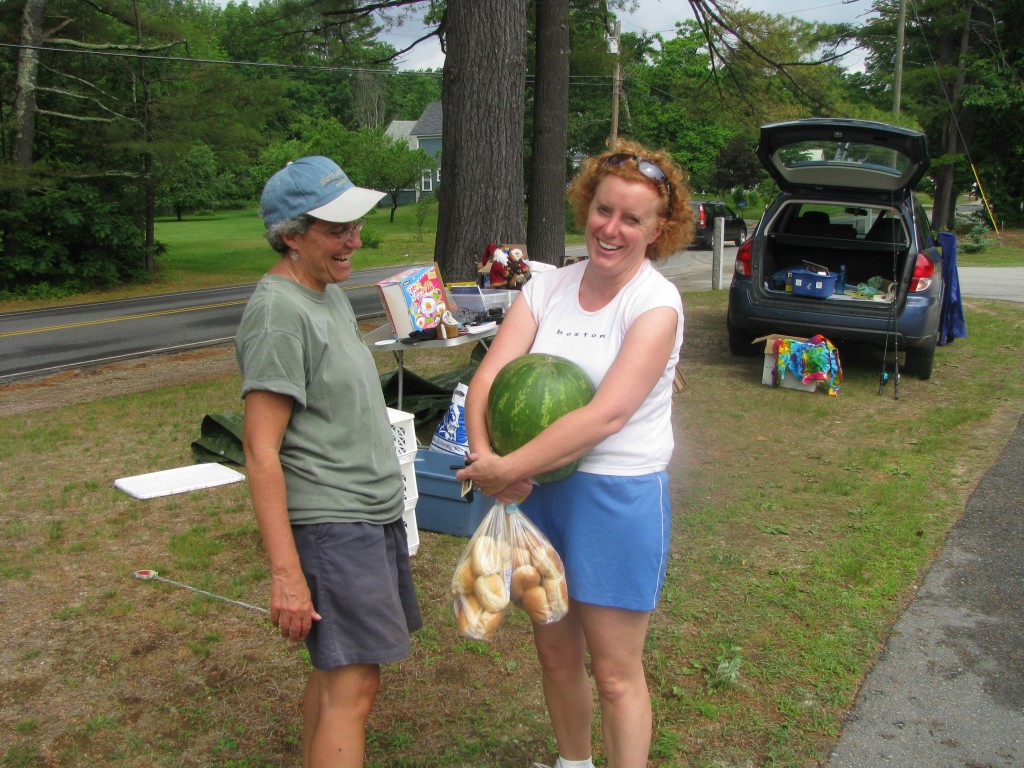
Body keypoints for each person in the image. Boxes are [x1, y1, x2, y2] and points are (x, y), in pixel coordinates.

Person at [456, 139, 694, 768]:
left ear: (657, 230)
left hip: (614, 499)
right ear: (587, 205)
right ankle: (572, 763)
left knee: (615, 673)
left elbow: (606, 414)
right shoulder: (548, 287)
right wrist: (488, 466)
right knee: (555, 653)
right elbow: (488, 377)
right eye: (603, 210)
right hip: (537, 497)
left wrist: (511, 466)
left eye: (631, 219)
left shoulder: (655, 304)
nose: (611, 229)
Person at [235, 156, 422, 768]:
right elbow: (261, 450)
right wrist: (286, 573)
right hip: (333, 524)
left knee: (335, 674)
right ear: (291, 235)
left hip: (371, 516)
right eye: (337, 229)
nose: (354, 240)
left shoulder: (326, 295)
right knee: (354, 687)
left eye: (355, 225)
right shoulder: (278, 312)